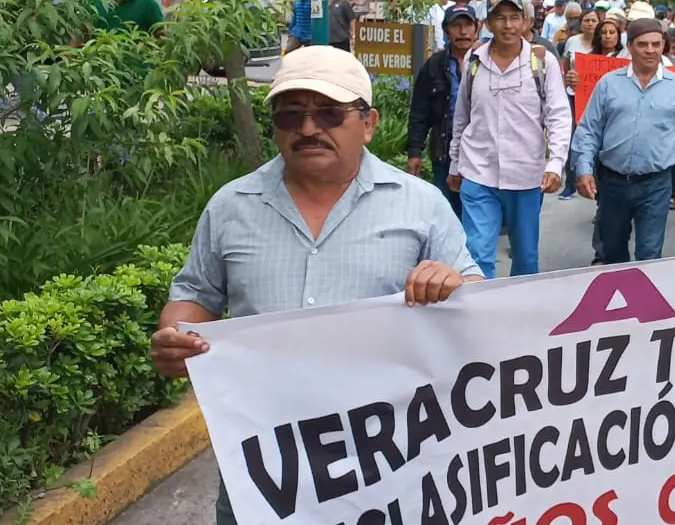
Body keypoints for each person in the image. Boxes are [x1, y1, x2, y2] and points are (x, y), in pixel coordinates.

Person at [152, 46, 479, 525]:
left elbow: (479, 309)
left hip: (391, 467)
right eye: (291, 115)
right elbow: (194, 297)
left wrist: (455, 286)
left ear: (368, 123)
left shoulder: (421, 206)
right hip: (262, 469)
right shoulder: (230, 207)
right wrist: (174, 337)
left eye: (329, 113)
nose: (308, 129)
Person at [448, 0, 570, 278]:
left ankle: (521, 315)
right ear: (488, 24)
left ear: (526, 23)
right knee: (477, 254)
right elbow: (462, 115)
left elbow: (559, 115)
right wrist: (456, 163)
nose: (507, 25)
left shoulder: (542, 62)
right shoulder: (474, 60)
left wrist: (556, 163)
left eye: (514, 17)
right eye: (500, 18)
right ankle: (482, 316)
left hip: (526, 176)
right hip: (478, 171)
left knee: (526, 257)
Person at [571, 17, 675, 263]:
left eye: (656, 44)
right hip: (613, 182)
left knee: (649, 253)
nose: (650, 50)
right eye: (642, 44)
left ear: (664, 46)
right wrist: (584, 169)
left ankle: (643, 301)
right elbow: (589, 130)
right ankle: (616, 297)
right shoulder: (609, 83)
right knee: (612, 250)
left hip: (656, 184)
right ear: (629, 46)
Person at [406, 3, 480, 216]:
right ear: (447, 30)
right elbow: (419, 111)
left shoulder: (489, 62)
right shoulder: (434, 65)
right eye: (456, 26)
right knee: (447, 215)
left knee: (477, 216)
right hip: (445, 152)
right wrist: (414, 153)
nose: (463, 32)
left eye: (468, 25)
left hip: (482, 154)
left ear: (477, 28)